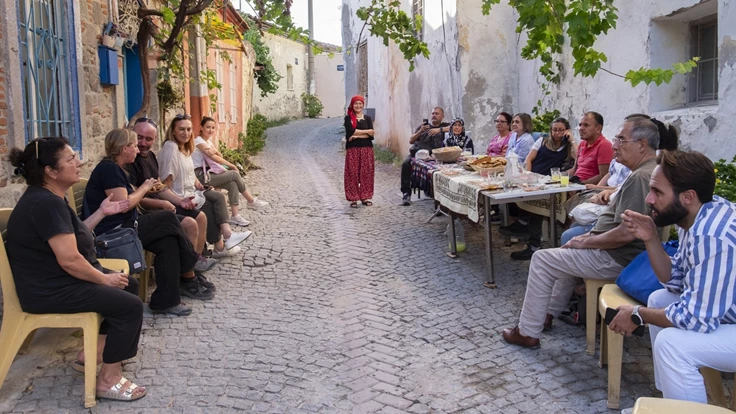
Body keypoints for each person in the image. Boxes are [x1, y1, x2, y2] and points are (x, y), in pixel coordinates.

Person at [501, 115, 662, 348]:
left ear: (642, 145)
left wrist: (587, 242)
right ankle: (546, 315)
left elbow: (628, 234)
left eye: (621, 140)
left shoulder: (640, 177)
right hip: (619, 252)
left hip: (618, 257)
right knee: (567, 250)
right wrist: (586, 239)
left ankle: (527, 331)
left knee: (542, 258)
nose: (615, 145)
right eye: (616, 139)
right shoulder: (647, 171)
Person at [7, 137, 147, 402]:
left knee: (128, 284)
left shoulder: (49, 198)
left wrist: (102, 213)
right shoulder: (46, 204)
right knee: (129, 305)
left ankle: (92, 354)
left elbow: (77, 235)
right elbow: (70, 259)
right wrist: (103, 280)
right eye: (70, 159)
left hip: (56, 280)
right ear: (50, 171)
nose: (78, 162)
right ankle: (108, 381)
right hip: (50, 289)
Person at [610, 150, 736, 409]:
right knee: (659, 298)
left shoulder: (711, 237)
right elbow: (675, 280)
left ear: (687, 197)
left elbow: (695, 318)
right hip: (728, 309)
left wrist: (637, 314)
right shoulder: (697, 214)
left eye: (657, 191)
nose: (648, 198)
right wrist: (650, 237)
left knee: (672, 344)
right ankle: (671, 401)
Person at [83, 129, 213, 315]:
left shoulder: (118, 169)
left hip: (127, 226)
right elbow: (124, 205)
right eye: (134, 145)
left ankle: (165, 302)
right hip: (115, 232)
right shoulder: (108, 169)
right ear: (123, 148)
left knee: (168, 242)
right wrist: (144, 188)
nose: (137, 149)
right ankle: (191, 264)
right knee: (168, 218)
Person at [127, 118, 216, 273]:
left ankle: (193, 265)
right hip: (146, 211)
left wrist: (180, 201)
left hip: (160, 205)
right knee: (190, 223)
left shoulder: (150, 157)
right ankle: (188, 275)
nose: (142, 143)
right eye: (138, 137)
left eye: (148, 139)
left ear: (154, 140)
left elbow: (159, 188)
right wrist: (163, 204)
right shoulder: (130, 161)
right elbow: (133, 199)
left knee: (200, 216)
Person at [158, 114, 250, 257]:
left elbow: (190, 172)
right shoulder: (171, 147)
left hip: (192, 191)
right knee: (210, 205)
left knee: (218, 196)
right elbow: (166, 182)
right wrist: (178, 201)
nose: (186, 133)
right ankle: (217, 247)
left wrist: (199, 185)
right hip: (180, 197)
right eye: (181, 129)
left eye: (189, 129)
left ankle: (226, 237)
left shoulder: (185, 148)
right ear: (173, 130)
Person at [502, 117, 578, 260]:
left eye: (561, 130)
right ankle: (524, 227)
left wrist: (572, 140)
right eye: (554, 129)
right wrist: (528, 175)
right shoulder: (542, 141)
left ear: (567, 131)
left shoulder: (567, 147)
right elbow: (529, 160)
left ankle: (532, 242)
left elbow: (581, 157)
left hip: (549, 181)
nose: (557, 133)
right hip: (533, 176)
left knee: (540, 204)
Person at [192, 116, 269, 226]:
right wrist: (231, 165)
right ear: (201, 127)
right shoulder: (198, 141)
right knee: (234, 174)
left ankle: (235, 216)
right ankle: (251, 201)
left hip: (208, 174)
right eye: (208, 127)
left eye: (213, 128)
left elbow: (218, 155)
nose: (211, 130)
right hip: (199, 177)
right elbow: (213, 156)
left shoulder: (208, 142)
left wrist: (216, 153)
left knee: (232, 184)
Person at [400, 107, 451, 206]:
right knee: (406, 164)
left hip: (434, 156)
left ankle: (439, 200)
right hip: (417, 154)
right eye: (433, 114)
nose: (434, 116)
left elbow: (457, 128)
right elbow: (411, 140)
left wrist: (439, 130)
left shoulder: (445, 126)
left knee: (439, 169)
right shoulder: (423, 127)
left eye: (437, 114)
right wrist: (420, 131)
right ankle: (406, 193)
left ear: (442, 116)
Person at [343, 95, 375, 208]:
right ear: (352, 105)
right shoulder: (348, 118)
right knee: (352, 173)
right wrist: (366, 132)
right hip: (353, 150)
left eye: (360, 103)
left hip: (367, 149)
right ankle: (353, 198)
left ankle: (365, 197)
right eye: (356, 103)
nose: (358, 105)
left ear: (363, 105)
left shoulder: (367, 118)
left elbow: (372, 135)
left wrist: (356, 134)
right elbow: (350, 133)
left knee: (366, 173)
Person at [567, 111, 613, 184]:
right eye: (580, 125)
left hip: (589, 190)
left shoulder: (604, 146)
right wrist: (556, 177)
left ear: (598, 128)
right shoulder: (582, 144)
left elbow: (603, 176)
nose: (581, 128)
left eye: (586, 125)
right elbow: (574, 169)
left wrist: (580, 185)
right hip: (575, 185)